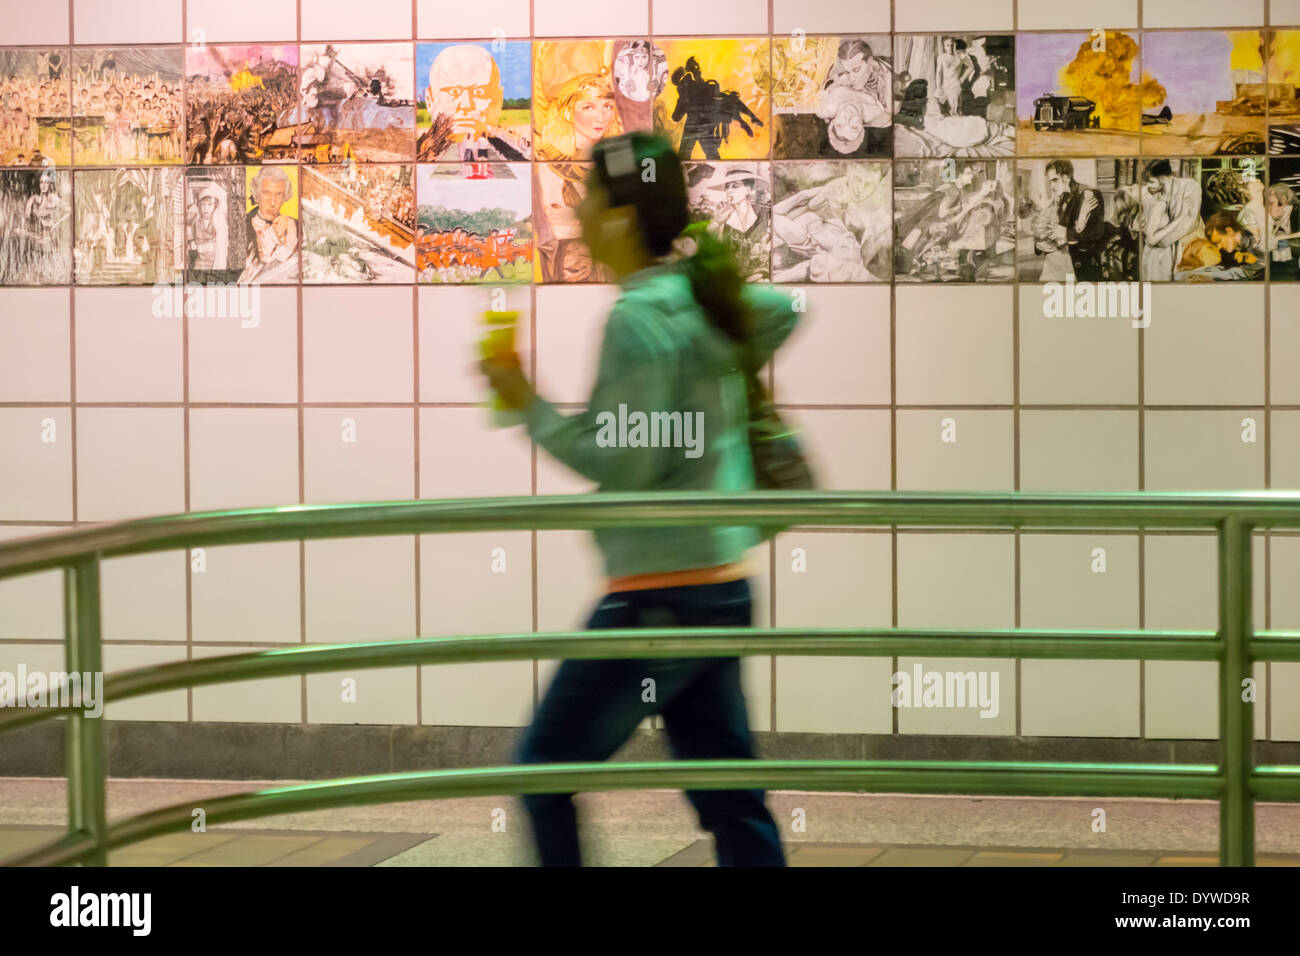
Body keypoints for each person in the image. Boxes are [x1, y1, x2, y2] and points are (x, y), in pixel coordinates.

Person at [479, 132, 797, 867]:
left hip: (658, 598)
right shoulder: (697, 299)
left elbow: (622, 461)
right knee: (730, 801)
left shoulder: (635, 319)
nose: (577, 210)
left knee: (542, 772)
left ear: (619, 220)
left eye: (587, 196)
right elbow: (782, 311)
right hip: (719, 587)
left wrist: (526, 401)